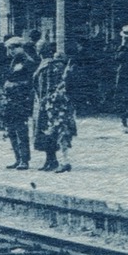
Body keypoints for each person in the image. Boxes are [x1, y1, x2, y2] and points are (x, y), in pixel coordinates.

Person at [0, 36, 36, 169]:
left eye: (14, 48)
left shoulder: (28, 62)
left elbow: (30, 82)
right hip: (10, 100)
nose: (11, 51)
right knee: (11, 130)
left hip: (21, 100)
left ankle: (24, 159)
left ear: (21, 47)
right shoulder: (12, 61)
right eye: (10, 48)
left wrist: (13, 85)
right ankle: (17, 158)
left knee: (21, 130)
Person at [32, 43, 78, 172]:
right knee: (45, 132)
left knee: (52, 131)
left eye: (38, 48)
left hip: (49, 104)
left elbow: (48, 86)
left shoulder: (49, 66)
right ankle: (50, 159)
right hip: (44, 102)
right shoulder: (45, 65)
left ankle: (55, 160)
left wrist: (45, 100)